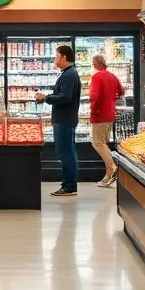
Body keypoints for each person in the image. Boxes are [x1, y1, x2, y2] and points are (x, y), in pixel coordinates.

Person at [36, 43, 81, 197]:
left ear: (64, 57)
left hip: (65, 119)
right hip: (63, 118)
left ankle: (69, 186)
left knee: (66, 152)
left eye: (57, 56)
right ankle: (69, 184)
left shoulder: (70, 74)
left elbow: (66, 97)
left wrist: (46, 97)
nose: (55, 59)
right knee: (66, 151)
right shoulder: (67, 73)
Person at [88, 53, 124, 187]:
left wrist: (92, 110)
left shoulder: (96, 77)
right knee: (102, 142)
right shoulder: (112, 76)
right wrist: (112, 99)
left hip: (99, 114)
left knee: (97, 142)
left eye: (93, 64)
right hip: (110, 114)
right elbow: (121, 92)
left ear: (97, 64)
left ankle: (113, 168)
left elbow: (94, 96)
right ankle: (108, 174)